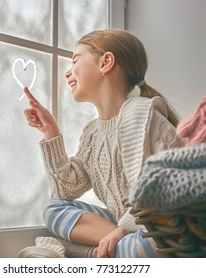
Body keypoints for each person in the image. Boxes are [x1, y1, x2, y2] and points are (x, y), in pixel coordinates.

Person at [21, 29, 185, 258]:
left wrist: (123, 228)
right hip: (126, 228)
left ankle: (88, 252)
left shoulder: (146, 118)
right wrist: (51, 133)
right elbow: (64, 190)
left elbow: (164, 194)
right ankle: (112, 249)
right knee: (52, 209)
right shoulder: (91, 134)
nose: (68, 72)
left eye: (76, 60)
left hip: (160, 228)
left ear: (106, 62)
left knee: (148, 246)